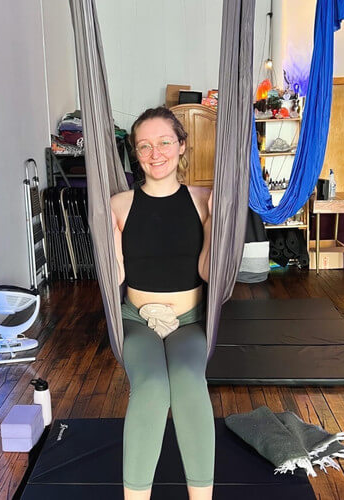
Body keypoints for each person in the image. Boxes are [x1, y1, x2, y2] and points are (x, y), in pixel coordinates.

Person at [110, 106, 214, 500]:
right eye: (144, 146)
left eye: (165, 142)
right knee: (152, 386)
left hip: (189, 320)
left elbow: (207, 269)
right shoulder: (119, 205)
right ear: (136, 154)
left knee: (189, 382)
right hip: (137, 320)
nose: (156, 153)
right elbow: (115, 277)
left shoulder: (206, 200)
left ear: (182, 146)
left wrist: (221, 214)